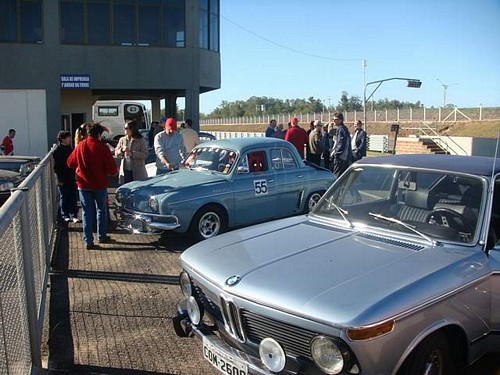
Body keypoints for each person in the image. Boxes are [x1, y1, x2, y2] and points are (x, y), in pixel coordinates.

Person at [67, 122, 118, 250]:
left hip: (83, 184)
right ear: (99, 134)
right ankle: (102, 236)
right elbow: (112, 170)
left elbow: (70, 163)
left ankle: (88, 240)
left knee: (86, 212)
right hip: (100, 184)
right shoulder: (103, 147)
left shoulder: (80, 146)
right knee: (101, 210)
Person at [53, 130, 79, 224]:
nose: (70, 139)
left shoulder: (70, 149)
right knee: (64, 197)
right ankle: (65, 215)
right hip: (63, 178)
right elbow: (56, 167)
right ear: (62, 139)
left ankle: (74, 215)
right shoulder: (57, 151)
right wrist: (60, 178)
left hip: (71, 177)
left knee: (73, 196)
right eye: (68, 137)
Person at [115, 120, 148, 185]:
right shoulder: (122, 139)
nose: (124, 130)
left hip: (137, 171)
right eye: (124, 128)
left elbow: (145, 154)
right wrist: (121, 150)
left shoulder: (141, 140)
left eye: (126, 128)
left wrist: (132, 154)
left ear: (132, 129)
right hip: (125, 171)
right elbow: (116, 154)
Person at [331, 113, 353, 177]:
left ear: (341, 120)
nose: (334, 121)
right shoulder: (344, 128)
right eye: (333, 119)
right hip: (345, 156)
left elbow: (341, 144)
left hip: (341, 157)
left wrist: (336, 154)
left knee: (337, 176)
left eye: (336, 119)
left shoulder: (341, 129)